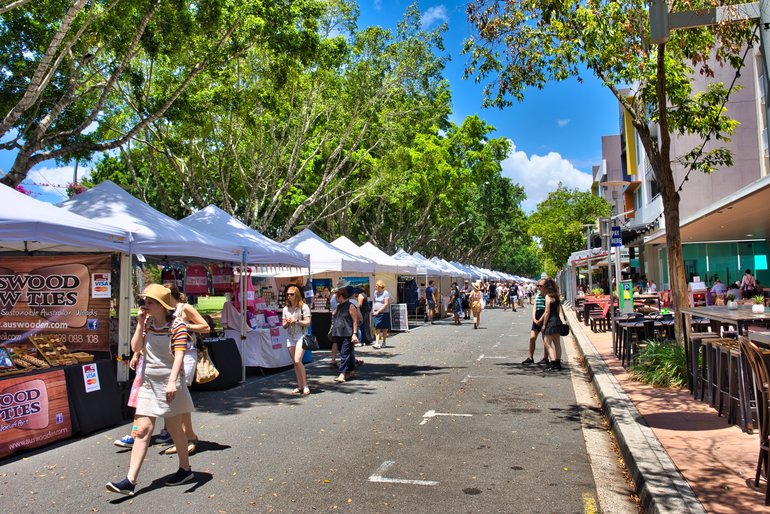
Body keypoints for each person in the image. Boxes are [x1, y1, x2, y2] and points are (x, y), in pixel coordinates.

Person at [106, 284, 195, 496]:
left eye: (150, 302)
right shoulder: (147, 324)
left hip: (169, 382)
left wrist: (172, 381)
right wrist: (139, 324)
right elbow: (136, 348)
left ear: (162, 305)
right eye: (144, 301)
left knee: (175, 429)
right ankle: (130, 480)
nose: (145, 305)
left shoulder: (177, 326)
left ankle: (185, 468)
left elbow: (180, 355)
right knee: (143, 430)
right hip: (149, 382)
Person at [156, 283, 208, 456]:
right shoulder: (163, 311)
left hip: (186, 355)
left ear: (170, 294)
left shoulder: (184, 308)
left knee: (178, 394)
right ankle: (182, 436)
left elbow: (205, 327)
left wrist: (185, 326)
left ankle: (187, 437)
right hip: (168, 357)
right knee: (175, 397)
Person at [282, 285, 311, 395]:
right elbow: (283, 325)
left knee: (298, 360)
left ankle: (305, 385)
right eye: (288, 294)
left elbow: (307, 323)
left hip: (301, 335)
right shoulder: (285, 308)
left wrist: (297, 320)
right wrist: (287, 322)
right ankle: (300, 385)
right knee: (295, 362)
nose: (289, 296)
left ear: (297, 295)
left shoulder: (304, 307)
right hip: (290, 336)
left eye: (291, 294)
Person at [331, 286, 360, 383]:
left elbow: (355, 321)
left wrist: (354, 334)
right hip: (339, 333)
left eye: (337, 296)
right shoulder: (339, 306)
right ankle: (351, 371)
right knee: (348, 353)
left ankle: (342, 374)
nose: (335, 298)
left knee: (344, 353)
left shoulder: (350, 305)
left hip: (347, 333)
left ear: (341, 296)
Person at [522, 279, 549, 365]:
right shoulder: (537, 295)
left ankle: (545, 358)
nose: (539, 287)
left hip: (544, 318)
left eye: (541, 286)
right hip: (536, 317)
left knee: (545, 339)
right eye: (538, 286)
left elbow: (547, 310)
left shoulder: (547, 296)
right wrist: (534, 318)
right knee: (532, 337)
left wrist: (541, 319)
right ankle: (530, 357)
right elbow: (534, 307)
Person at [541, 278, 564, 371]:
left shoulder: (548, 296)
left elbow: (547, 311)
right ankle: (558, 363)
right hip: (557, 320)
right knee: (557, 343)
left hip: (550, 321)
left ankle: (553, 363)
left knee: (547, 342)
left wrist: (544, 324)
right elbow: (558, 310)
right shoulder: (557, 297)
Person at [372, 280, 391, 349]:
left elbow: (386, 303)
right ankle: (377, 342)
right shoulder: (375, 292)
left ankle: (384, 342)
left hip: (384, 313)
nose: (375, 287)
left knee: (384, 328)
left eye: (376, 286)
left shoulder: (385, 293)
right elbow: (374, 301)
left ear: (380, 286)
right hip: (376, 312)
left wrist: (378, 311)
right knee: (377, 327)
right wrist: (373, 310)